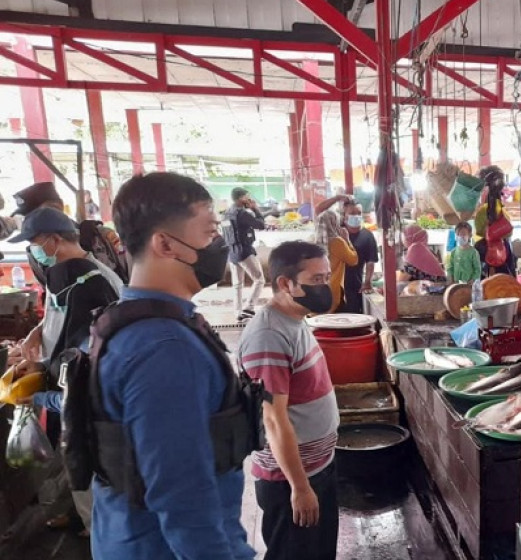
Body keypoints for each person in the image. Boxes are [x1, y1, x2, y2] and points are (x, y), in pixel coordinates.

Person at [90, 172, 255, 560]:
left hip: (125, 538)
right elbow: (182, 496)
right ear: (165, 244)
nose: (219, 244)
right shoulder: (165, 347)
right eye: (210, 232)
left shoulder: (122, 321)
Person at [10, 207, 122, 538]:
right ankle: (85, 518)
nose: (33, 251)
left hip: (83, 390)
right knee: (73, 454)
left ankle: (99, 531)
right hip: (64, 381)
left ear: (54, 240)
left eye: (34, 244)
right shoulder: (65, 274)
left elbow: (89, 355)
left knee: (88, 457)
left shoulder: (95, 280)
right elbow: (60, 318)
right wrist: (37, 336)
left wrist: (44, 388)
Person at [237, 241, 339, 560]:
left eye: (326, 277)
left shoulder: (295, 319)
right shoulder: (268, 336)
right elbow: (273, 419)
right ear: (285, 284)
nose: (325, 286)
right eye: (317, 280)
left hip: (316, 468)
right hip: (290, 481)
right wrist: (300, 487)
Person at [11, 181, 129, 286]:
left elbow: (128, 274)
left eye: (37, 213)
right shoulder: (36, 252)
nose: (30, 221)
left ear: (58, 206)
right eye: (26, 216)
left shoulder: (100, 236)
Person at [222, 187, 267, 321]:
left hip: (232, 252)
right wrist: (255, 209)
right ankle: (249, 308)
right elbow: (261, 225)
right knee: (259, 280)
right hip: (244, 251)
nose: (249, 199)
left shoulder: (226, 213)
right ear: (241, 198)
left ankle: (238, 312)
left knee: (237, 285)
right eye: (247, 196)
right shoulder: (242, 214)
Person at [474, 166, 516, 277]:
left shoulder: (482, 211)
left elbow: (478, 231)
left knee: (486, 284)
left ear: (485, 188)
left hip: (484, 251)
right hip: (504, 252)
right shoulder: (502, 210)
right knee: (505, 281)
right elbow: (509, 232)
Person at [314, 211, 358, 313]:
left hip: (317, 290)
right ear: (334, 223)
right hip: (333, 290)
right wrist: (347, 240)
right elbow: (353, 260)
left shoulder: (313, 241)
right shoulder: (338, 242)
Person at [340, 200, 378, 313]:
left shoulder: (367, 236)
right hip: (336, 286)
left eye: (359, 213)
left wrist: (367, 281)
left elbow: (370, 261)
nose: (356, 216)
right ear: (344, 216)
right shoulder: (337, 233)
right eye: (352, 213)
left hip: (355, 286)